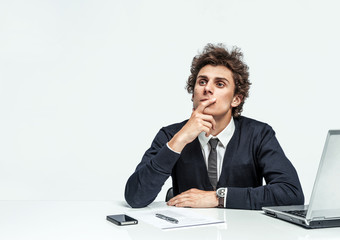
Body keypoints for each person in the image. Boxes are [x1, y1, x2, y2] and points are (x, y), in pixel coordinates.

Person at [124, 43, 304, 210]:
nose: (207, 89)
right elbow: (135, 197)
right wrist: (179, 141)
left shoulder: (259, 134)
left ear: (236, 99)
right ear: (193, 93)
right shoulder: (171, 135)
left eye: (219, 84)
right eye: (202, 82)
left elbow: (291, 193)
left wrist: (219, 198)